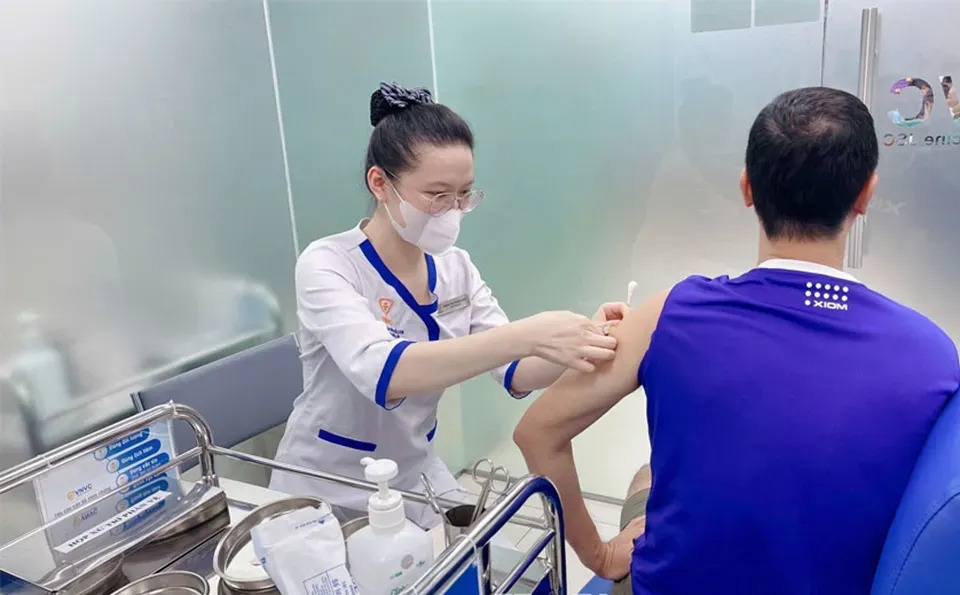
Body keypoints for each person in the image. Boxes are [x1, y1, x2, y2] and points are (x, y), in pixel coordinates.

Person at [514, 87, 960, 595]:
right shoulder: (930, 353)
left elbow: (538, 432)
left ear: (747, 188)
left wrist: (598, 555)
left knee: (645, 478)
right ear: (866, 195)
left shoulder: (667, 314)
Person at [271, 82, 626, 526]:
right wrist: (529, 335)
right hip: (324, 485)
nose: (454, 210)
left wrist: (583, 338)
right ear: (380, 183)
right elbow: (386, 372)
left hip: (412, 472)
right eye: (437, 195)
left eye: (464, 194)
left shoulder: (455, 268)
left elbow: (517, 370)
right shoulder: (328, 265)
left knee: (485, 553)